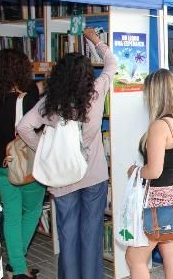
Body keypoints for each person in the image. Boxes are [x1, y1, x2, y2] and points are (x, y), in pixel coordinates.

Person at [17, 28, 116, 279]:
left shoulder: (50, 102)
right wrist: (96, 41)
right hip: (93, 177)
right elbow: (112, 63)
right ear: (86, 75)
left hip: (62, 178)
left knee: (68, 235)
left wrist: (44, 149)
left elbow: (23, 127)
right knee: (91, 234)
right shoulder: (95, 93)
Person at [125, 69, 173, 279]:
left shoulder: (158, 126)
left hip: (161, 200)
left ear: (156, 93)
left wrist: (135, 171)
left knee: (134, 258)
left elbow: (154, 170)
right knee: (171, 252)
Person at [0, 49, 45, 279]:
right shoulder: (28, 96)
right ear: (22, 70)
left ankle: (17, 267)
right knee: (32, 209)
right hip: (22, 163)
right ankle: (17, 265)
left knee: (11, 213)